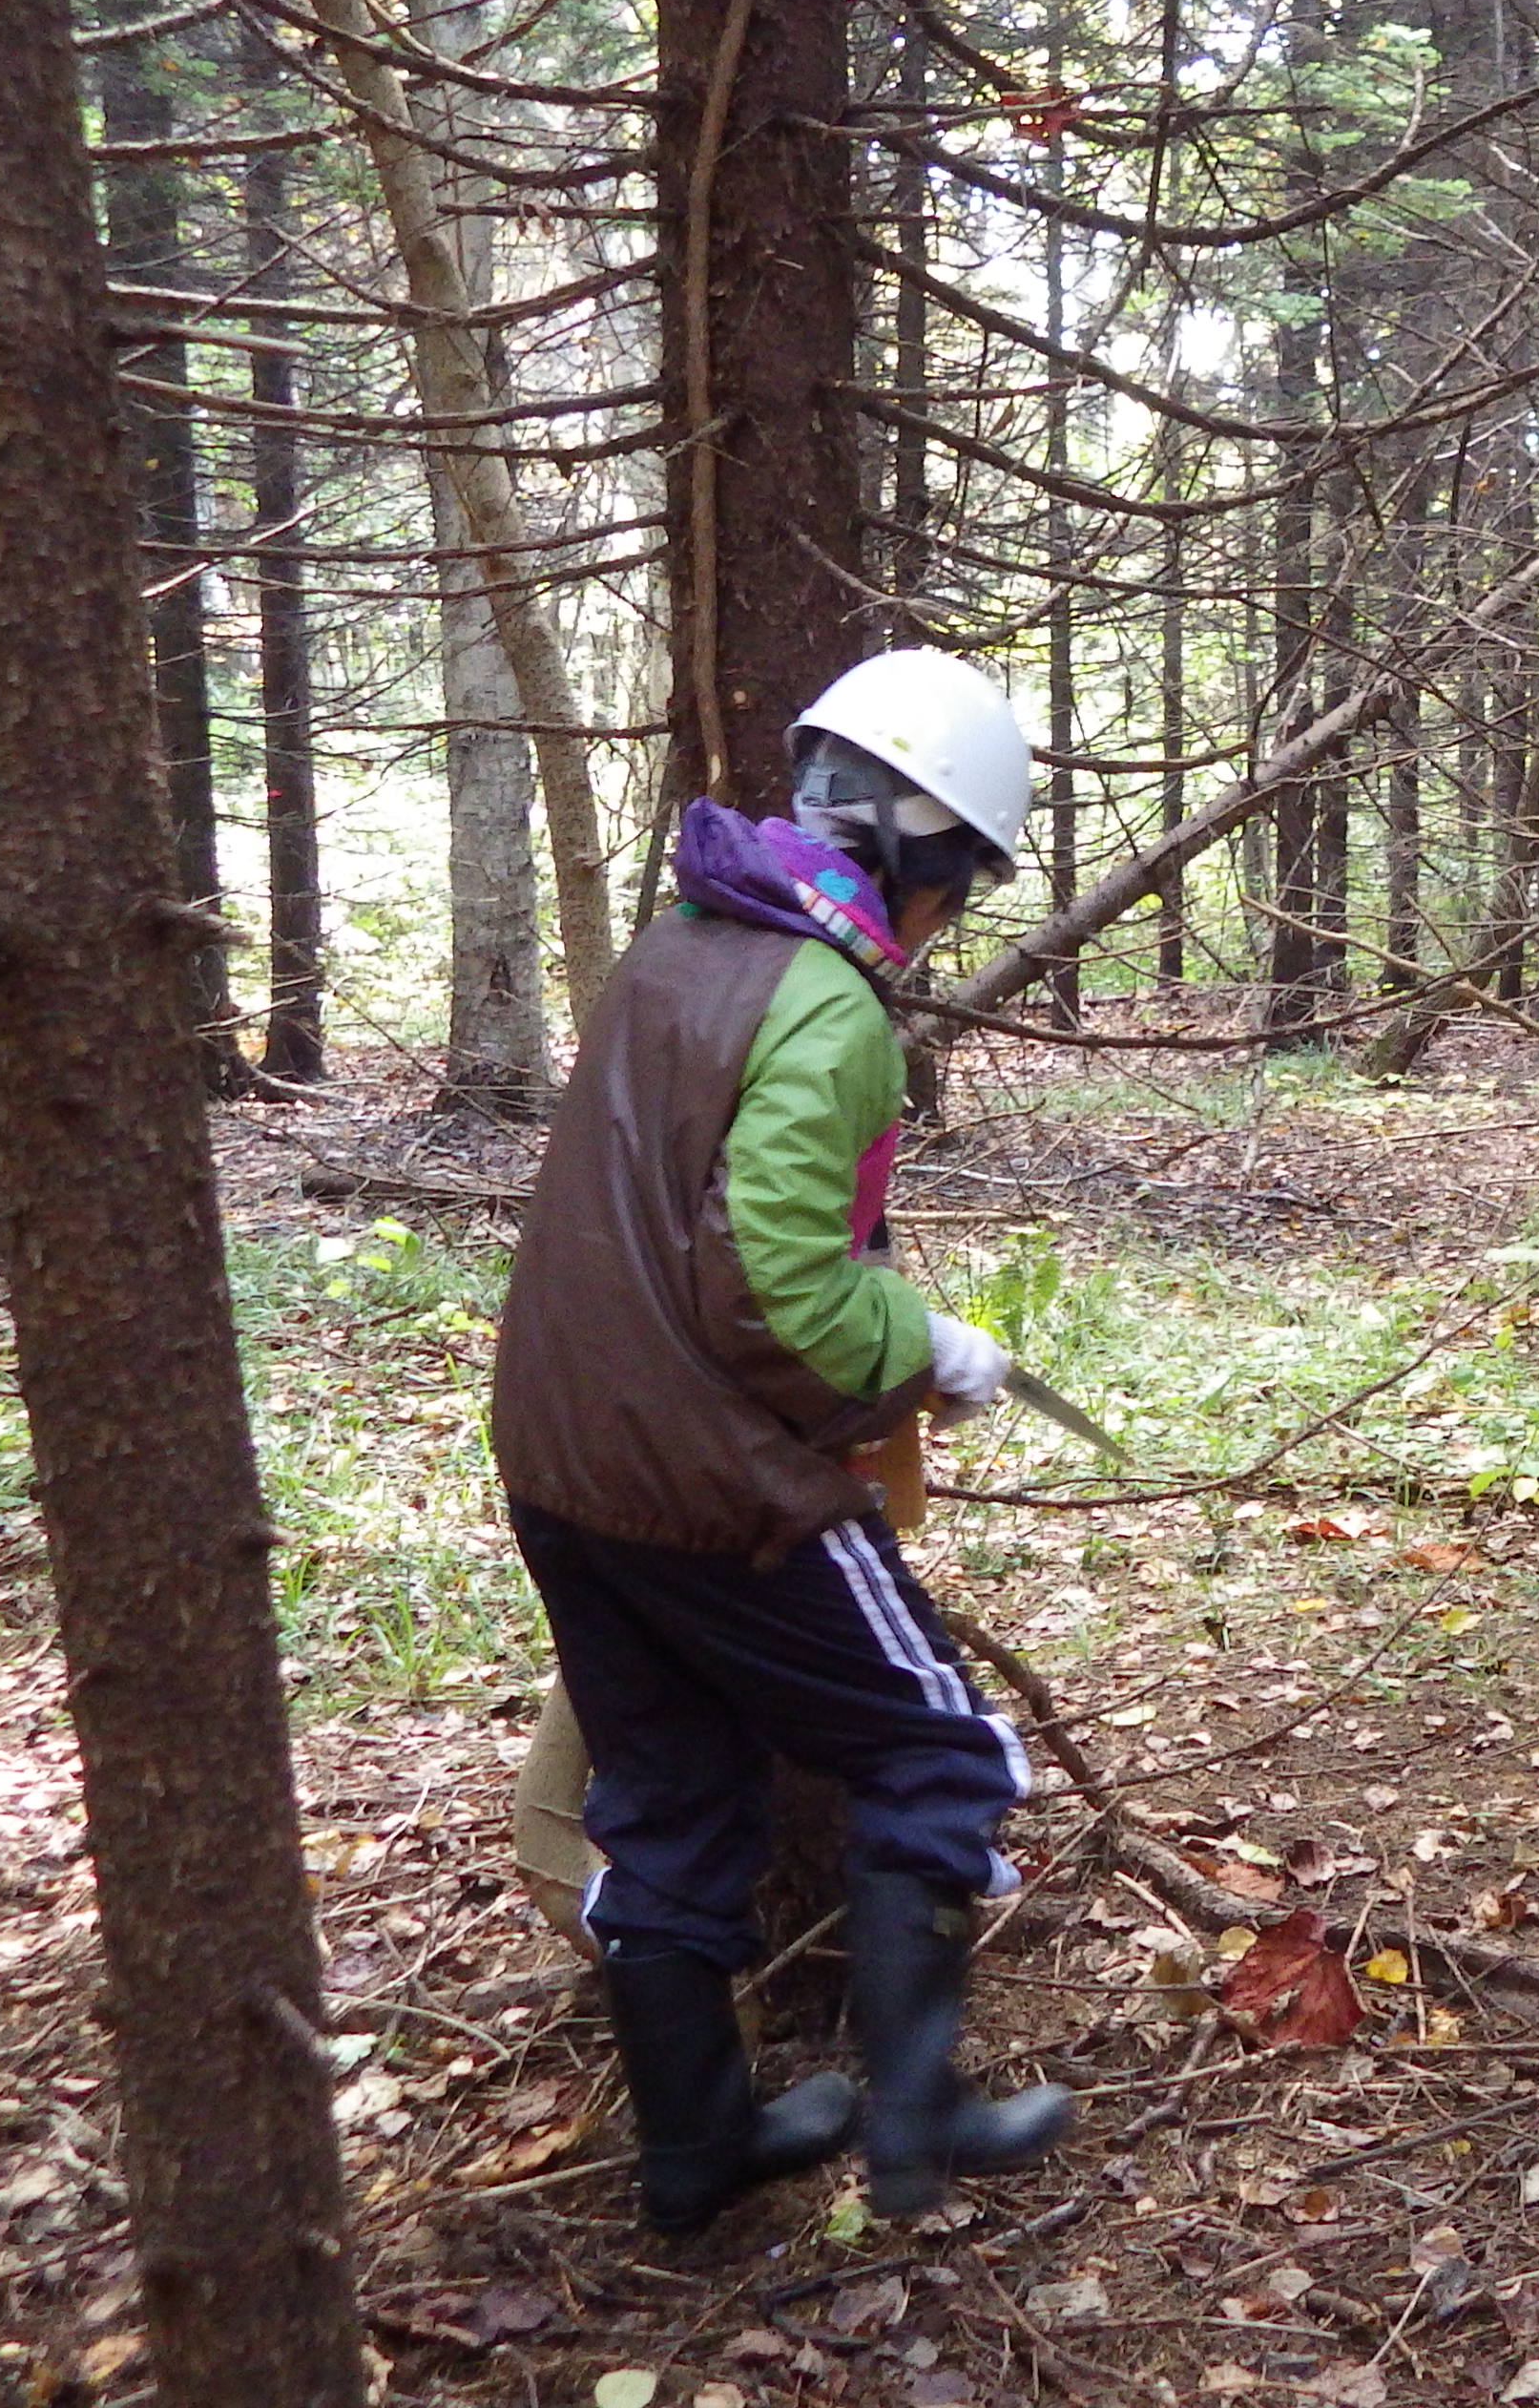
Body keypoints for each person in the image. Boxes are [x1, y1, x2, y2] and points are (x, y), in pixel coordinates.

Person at [490, 647, 1073, 2234]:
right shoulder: (826, 1005)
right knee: (939, 1747)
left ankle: (696, 2146)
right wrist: (923, 1349)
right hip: (706, 1475)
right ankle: (918, 2114)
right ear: (915, 851)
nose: (945, 924)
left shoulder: (678, 947)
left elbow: (681, 1228)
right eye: (956, 884)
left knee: (672, 1799)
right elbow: (768, 1288)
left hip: (564, 1456)